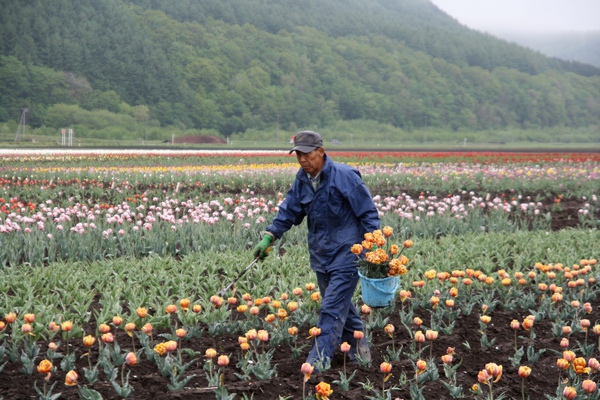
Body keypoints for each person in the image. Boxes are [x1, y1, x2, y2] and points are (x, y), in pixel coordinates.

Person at [253, 130, 380, 367]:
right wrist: (270, 236)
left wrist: (373, 248)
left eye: (306, 154)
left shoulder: (345, 176)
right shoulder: (303, 180)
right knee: (340, 303)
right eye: (298, 155)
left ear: (320, 152)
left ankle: (319, 361)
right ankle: (360, 353)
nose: (302, 160)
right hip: (321, 255)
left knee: (331, 308)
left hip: (348, 254)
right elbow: (290, 210)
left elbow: (368, 214)